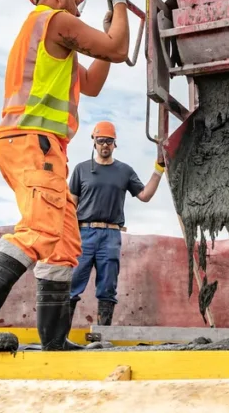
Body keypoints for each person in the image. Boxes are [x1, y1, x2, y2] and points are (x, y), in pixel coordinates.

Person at [0, 0, 130, 353]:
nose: (78, 9)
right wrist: (120, 5)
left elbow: (92, 83)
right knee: (40, 229)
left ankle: (54, 341)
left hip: (38, 146)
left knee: (63, 242)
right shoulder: (54, 21)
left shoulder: (48, 37)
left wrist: (109, 32)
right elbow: (118, 48)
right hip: (33, 144)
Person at [67, 121, 164, 329]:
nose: (105, 145)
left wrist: (159, 169)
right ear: (94, 142)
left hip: (110, 236)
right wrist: (67, 235)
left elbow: (145, 196)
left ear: (115, 144)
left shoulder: (124, 171)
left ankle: (102, 335)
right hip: (83, 233)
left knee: (108, 286)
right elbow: (70, 205)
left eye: (109, 141)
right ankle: (59, 336)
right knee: (72, 283)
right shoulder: (81, 170)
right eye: (101, 140)